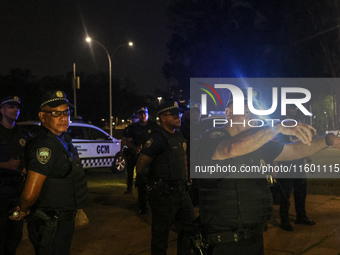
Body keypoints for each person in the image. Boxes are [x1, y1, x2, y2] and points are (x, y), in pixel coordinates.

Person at [196, 89, 340, 255]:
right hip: (223, 243)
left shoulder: (258, 144)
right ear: (229, 113)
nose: (252, 116)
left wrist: (327, 140)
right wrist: (276, 128)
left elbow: (294, 151)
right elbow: (230, 149)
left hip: (254, 237)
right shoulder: (213, 138)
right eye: (247, 111)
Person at [9, 90, 88, 255]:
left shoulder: (61, 138)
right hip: (50, 223)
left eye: (66, 112)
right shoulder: (45, 145)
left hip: (61, 221)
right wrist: (23, 210)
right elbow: (30, 193)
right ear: (42, 116)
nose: (63, 117)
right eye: (55, 113)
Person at [136, 101, 195, 255]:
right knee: (160, 235)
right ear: (162, 117)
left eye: (179, 114)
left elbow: (183, 160)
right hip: (164, 195)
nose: (178, 116)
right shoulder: (157, 138)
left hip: (182, 193)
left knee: (189, 229)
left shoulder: (179, 135)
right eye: (173, 114)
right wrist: (153, 185)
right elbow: (141, 167)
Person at [275, 105, 315, 231]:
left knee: (301, 191)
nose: (295, 111)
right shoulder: (279, 124)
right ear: (285, 109)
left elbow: (303, 142)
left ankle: (301, 216)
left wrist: (308, 158)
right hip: (285, 164)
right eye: (292, 108)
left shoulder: (298, 124)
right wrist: (274, 165)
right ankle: (284, 220)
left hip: (298, 163)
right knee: (285, 194)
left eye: (295, 108)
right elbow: (274, 147)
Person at [0, 96, 30, 255]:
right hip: (1, 191)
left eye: (17, 107)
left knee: (15, 234)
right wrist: (5, 165)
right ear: (2, 110)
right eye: (11, 106)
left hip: (17, 192)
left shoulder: (23, 133)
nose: (16, 110)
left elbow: (30, 156)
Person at [125, 107, 158, 214]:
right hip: (139, 157)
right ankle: (142, 205)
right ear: (138, 116)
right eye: (140, 114)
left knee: (154, 181)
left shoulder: (153, 126)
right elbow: (128, 141)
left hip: (153, 158)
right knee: (141, 182)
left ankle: (153, 204)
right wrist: (135, 148)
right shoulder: (133, 128)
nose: (143, 116)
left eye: (144, 114)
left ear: (147, 115)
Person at [122, 113, 138, 194]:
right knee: (130, 171)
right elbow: (124, 140)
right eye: (132, 118)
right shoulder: (128, 129)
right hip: (130, 152)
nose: (134, 120)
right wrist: (121, 151)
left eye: (135, 118)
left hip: (138, 152)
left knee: (139, 170)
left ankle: (137, 186)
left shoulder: (139, 128)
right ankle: (129, 187)